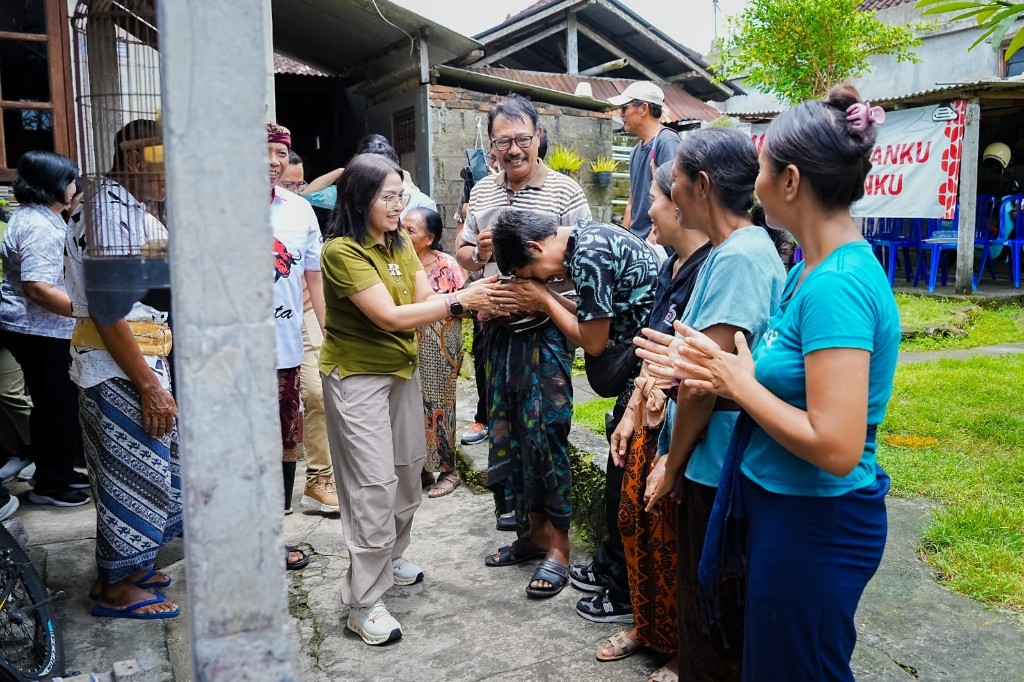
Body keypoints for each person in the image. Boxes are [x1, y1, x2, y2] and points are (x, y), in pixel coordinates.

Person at [662, 86, 900, 681]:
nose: (756, 181)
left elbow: (839, 447)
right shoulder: (807, 270)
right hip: (784, 514)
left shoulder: (836, 286)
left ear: (790, 181)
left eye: (764, 167)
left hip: (816, 524)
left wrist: (737, 385)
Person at [319, 153, 499, 645]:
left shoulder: (398, 242)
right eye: (389, 197)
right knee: (372, 484)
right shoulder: (341, 252)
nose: (399, 206)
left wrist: (476, 293)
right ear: (360, 197)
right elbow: (391, 317)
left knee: (407, 470)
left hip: (401, 372)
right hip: (357, 376)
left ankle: (391, 557)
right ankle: (362, 602)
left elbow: (423, 301)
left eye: (402, 195)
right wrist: (464, 300)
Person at [635, 128, 787, 681]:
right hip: (712, 458)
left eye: (673, 183)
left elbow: (702, 379)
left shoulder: (740, 257)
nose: (669, 198)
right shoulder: (734, 250)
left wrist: (670, 464)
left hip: (716, 464)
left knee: (712, 618)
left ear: (700, 186)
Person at [455, 94, 592, 584]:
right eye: (501, 142)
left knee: (545, 433)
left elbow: (586, 261)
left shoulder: (565, 192)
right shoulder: (484, 193)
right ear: (491, 146)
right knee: (506, 433)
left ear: (539, 136)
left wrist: (541, 293)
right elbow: (463, 252)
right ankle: (530, 534)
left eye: (520, 139)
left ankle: (558, 545)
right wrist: (478, 252)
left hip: (546, 334)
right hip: (495, 334)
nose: (512, 150)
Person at [490, 206, 658, 602]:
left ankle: (617, 584)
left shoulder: (588, 255)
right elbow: (591, 315)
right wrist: (544, 296)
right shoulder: (588, 239)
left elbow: (594, 341)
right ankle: (600, 564)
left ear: (535, 246)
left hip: (646, 369)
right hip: (635, 359)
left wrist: (544, 299)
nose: (545, 280)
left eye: (531, 273)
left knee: (618, 477)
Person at [597, 161, 712, 679]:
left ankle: (678, 648)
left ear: (681, 203)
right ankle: (649, 627)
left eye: (656, 200)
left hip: (678, 426)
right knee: (635, 526)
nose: (648, 210)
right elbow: (651, 352)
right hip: (643, 416)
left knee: (670, 541)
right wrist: (630, 412)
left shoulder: (712, 268)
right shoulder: (670, 267)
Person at [66, 119, 180, 618]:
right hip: (119, 367)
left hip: (139, 359)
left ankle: (133, 570)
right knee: (125, 479)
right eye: (163, 164)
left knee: (149, 472)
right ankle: (114, 588)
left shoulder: (130, 209)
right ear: (135, 161)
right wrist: (149, 385)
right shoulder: (107, 213)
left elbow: (158, 280)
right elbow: (109, 311)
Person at [0, 150, 89, 507]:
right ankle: (50, 485)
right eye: (70, 180)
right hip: (39, 329)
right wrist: (85, 312)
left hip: (39, 326)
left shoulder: (37, 216)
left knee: (53, 404)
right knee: (56, 405)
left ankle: (57, 472)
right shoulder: (38, 225)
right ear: (53, 184)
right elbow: (37, 286)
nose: (74, 187)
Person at [277, 149, 339, 514]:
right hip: (266, 323)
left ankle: (319, 480)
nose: (295, 191)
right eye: (288, 184)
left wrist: (327, 322)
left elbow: (315, 274)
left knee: (318, 394)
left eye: (299, 184)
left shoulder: (301, 212)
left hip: (306, 316)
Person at [403, 208, 466, 498]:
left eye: (410, 230)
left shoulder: (446, 264)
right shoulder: (399, 261)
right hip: (407, 343)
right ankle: (423, 468)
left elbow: (462, 305)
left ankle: (449, 470)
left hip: (440, 344)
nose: (402, 233)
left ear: (429, 238)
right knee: (412, 406)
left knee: (440, 406)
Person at [608, 82, 680, 240]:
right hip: (638, 240)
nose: (621, 115)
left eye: (624, 108)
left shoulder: (666, 142)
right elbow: (632, 201)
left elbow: (674, 196)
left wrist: (654, 236)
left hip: (656, 241)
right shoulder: (635, 151)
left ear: (643, 108)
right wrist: (624, 236)